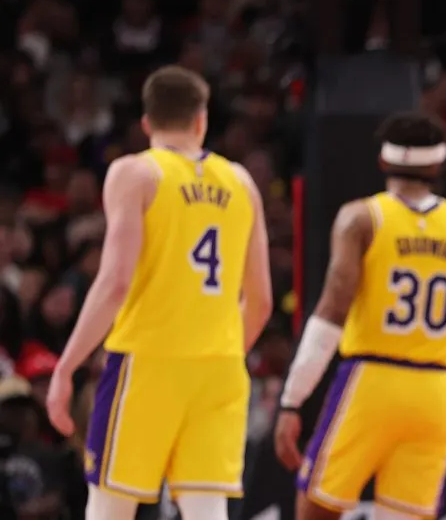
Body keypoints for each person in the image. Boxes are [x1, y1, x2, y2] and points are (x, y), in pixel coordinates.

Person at [44, 65, 274, 520]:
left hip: (147, 362)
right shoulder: (243, 183)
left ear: (146, 123)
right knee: (208, 511)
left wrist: (66, 366)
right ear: (201, 121)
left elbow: (114, 282)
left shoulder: (135, 173)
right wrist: (219, 349)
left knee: (111, 508)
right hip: (219, 369)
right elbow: (262, 301)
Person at [273, 111, 446, 520]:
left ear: (383, 162)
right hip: (437, 390)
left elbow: (331, 311)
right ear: (439, 164)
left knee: (316, 510)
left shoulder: (361, 217)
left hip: (370, 380)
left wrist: (292, 399)